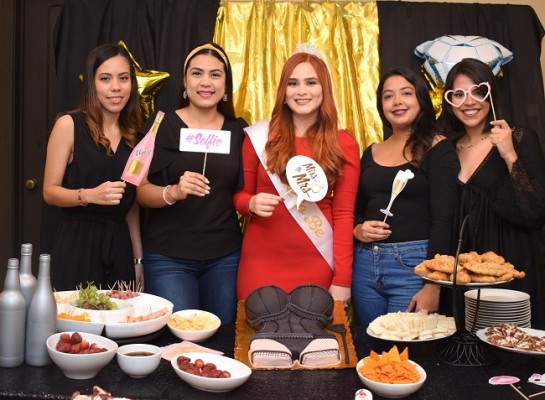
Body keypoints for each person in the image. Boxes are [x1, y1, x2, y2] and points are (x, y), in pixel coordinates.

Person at [233, 49, 360, 305]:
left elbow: (344, 214)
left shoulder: (343, 143)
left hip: (318, 261)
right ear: (284, 91)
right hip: (260, 262)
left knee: (315, 343)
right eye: (293, 83)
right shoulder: (259, 138)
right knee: (258, 343)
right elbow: (239, 196)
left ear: (324, 89)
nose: (301, 91)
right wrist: (251, 204)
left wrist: (343, 279)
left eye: (311, 82)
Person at [136, 43, 247, 323]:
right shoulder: (161, 125)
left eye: (215, 74)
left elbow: (244, 191)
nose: (206, 82)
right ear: (185, 82)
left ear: (226, 85)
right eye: (197, 74)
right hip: (168, 257)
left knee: (221, 342)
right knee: (181, 341)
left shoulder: (239, 130)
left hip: (225, 258)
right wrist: (174, 191)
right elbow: (139, 192)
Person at [440, 58, 545, 329]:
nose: (469, 101)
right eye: (458, 94)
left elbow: (535, 211)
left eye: (478, 91)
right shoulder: (446, 148)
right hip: (462, 273)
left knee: (509, 347)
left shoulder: (520, 137)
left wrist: (509, 153)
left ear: (491, 94)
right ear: (449, 101)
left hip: (508, 265)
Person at [352, 66, 460, 328]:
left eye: (406, 93)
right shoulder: (371, 151)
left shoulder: (438, 147)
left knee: (406, 352)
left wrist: (433, 284)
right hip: (365, 264)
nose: (397, 101)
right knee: (371, 348)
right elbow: (357, 208)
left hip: (413, 266)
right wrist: (358, 230)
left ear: (421, 99)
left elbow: (444, 220)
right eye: (388, 96)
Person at [43, 43, 144, 291]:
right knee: (75, 326)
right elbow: (49, 191)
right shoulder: (69, 125)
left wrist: (138, 260)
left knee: (119, 324)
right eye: (105, 78)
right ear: (92, 83)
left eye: (123, 78)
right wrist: (89, 195)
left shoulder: (136, 139)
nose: (116, 87)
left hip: (119, 247)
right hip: (77, 243)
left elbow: (130, 206)